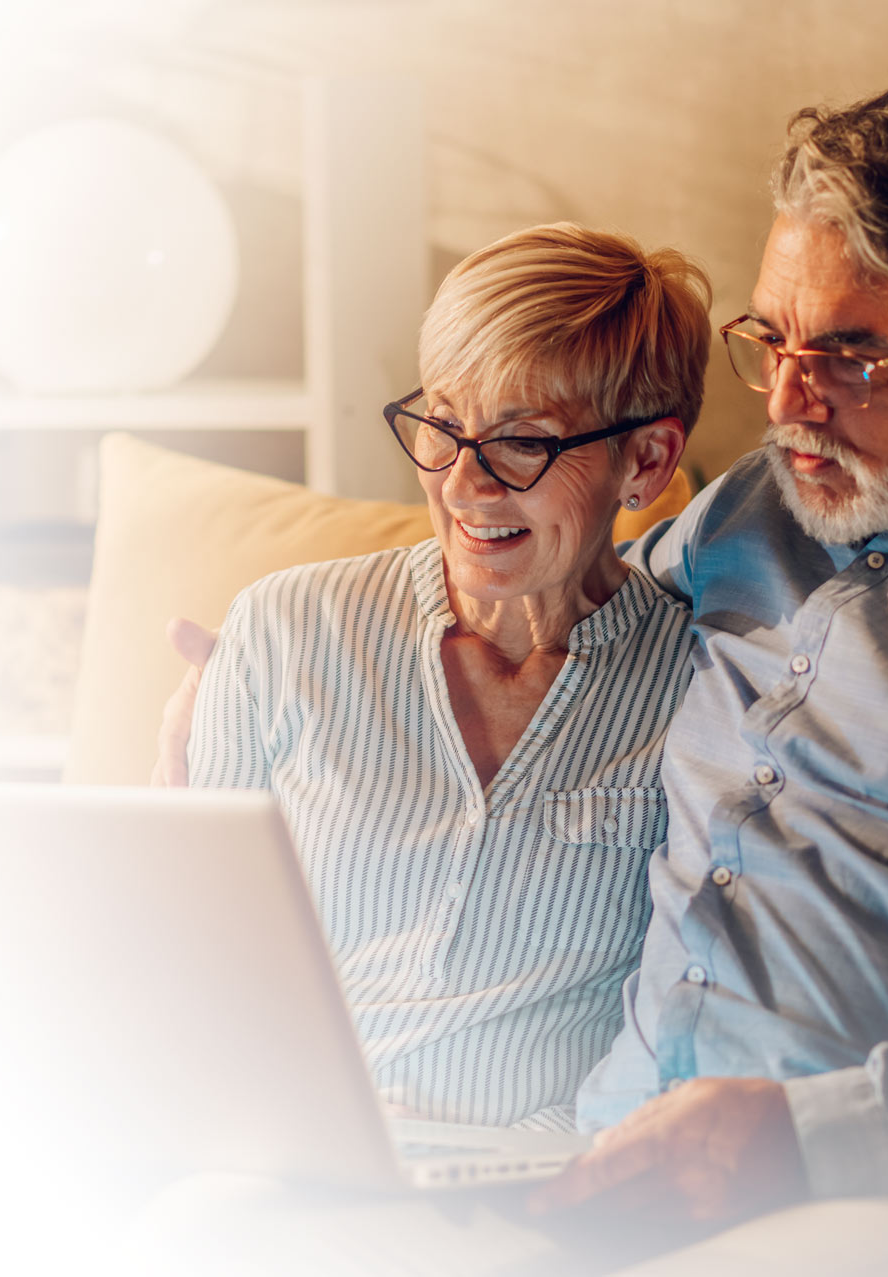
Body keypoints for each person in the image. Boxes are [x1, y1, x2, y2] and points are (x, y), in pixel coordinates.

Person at [141, 80, 888, 1276]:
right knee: (200, 1232)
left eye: (853, 356)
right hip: (602, 1163)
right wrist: (271, 673)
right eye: (772, 341)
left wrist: (815, 1134)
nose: (790, 403)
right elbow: (552, 568)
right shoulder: (762, 504)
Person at [182, 222, 708, 1128]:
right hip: (283, 1146)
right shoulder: (284, 629)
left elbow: (686, 1019)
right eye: (443, 425)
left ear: (648, 460)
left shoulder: (703, 689)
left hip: (544, 1175)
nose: (464, 484)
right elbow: (191, 961)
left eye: (523, 441)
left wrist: (540, 1173)